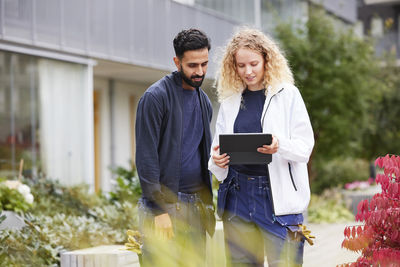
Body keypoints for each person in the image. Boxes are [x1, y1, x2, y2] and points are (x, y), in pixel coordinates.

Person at [208, 27, 315, 266]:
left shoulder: (288, 95)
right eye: (241, 65)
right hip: (237, 198)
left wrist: (280, 146)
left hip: (278, 201)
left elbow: (304, 147)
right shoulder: (230, 101)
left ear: (267, 59)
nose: (248, 71)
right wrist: (216, 161)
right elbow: (216, 151)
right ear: (233, 66)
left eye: (254, 64)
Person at [135, 28, 215, 267]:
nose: (199, 71)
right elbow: (146, 157)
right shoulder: (155, 98)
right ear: (177, 62)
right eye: (192, 65)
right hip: (166, 206)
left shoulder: (204, 102)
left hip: (196, 208)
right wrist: (159, 210)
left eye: (204, 64)